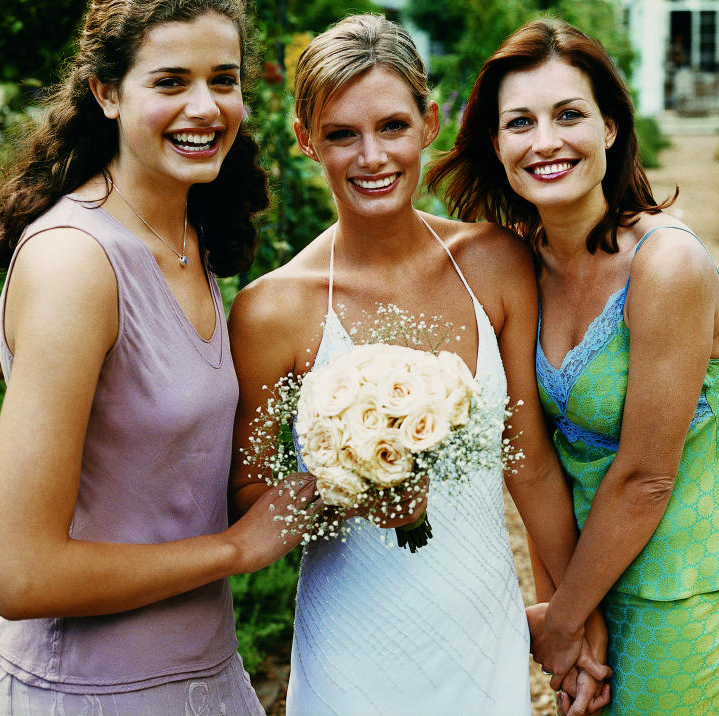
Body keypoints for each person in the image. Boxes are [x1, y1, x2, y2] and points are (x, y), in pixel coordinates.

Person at [226, 14, 611, 716]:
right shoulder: (272, 310)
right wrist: (346, 485)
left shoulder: (493, 262)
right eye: (342, 134)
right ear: (306, 140)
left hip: (479, 612)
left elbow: (528, 463)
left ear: (429, 122)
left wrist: (569, 619)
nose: (371, 156)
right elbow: (248, 495)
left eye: (393, 127)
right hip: (352, 633)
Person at [427, 18, 719, 715]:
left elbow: (644, 478)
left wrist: (560, 624)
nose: (544, 141)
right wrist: (567, 609)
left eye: (568, 115)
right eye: (520, 122)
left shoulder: (666, 267)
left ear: (609, 127)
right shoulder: (516, 262)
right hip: (577, 574)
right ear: (496, 143)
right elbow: (530, 451)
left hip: (677, 581)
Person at [0, 1, 303, 712]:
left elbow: (165, 485)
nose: (205, 106)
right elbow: (20, 574)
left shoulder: (190, 240)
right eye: (170, 82)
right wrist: (237, 549)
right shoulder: (77, 263)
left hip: (205, 672)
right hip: (87, 689)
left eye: (224, 79)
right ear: (105, 92)